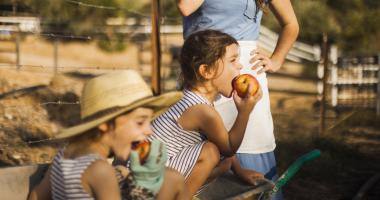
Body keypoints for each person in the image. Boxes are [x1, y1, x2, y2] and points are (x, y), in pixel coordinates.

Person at [177, 1, 299, 199]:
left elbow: (291, 24)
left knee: (249, 142)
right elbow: (186, 6)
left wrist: (277, 59)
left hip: (244, 68)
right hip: (205, 67)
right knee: (208, 148)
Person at [28, 70, 189, 200]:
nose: (149, 130)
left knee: (167, 176)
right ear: (105, 125)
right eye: (140, 122)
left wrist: (122, 174)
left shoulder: (66, 153)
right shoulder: (100, 171)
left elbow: (36, 195)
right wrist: (143, 191)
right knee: (173, 179)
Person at [149, 30, 263, 197]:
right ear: (207, 71)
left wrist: (240, 171)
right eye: (233, 60)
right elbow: (229, 148)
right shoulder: (202, 111)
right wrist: (244, 113)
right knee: (211, 152)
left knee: (218, 152)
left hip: (154, 174)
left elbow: (224, 143)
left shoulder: (193, 99)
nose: (239, 66)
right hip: (151, 182)